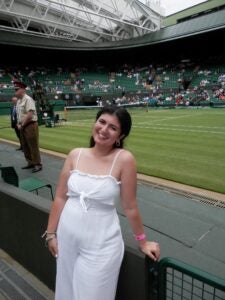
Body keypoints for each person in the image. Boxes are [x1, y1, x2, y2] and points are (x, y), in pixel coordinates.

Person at [43, 106, 160, 300]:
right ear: (95, 123)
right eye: (102, 122)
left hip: (101, 244)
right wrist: (50, 234)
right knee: (66, 291)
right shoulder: (75, 155)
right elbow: (60, 197)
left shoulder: (124, 159)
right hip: (67, 239)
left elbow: (130, 206)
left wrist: (143, 242)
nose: (104, 129)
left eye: (113, 128)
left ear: (120, 136)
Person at [15, 81, 42, 173]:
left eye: (16, 89)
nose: (15, 91)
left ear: (23, 90)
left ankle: (37, 164)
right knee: (25, 146)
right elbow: (20, 115)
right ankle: (30, 162)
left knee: (33, 145)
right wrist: (19, 124)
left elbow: (29, 115)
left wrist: (21, 124)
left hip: (30, 125)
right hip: (23, 126)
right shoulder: (19, 101)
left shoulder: (28, 99)